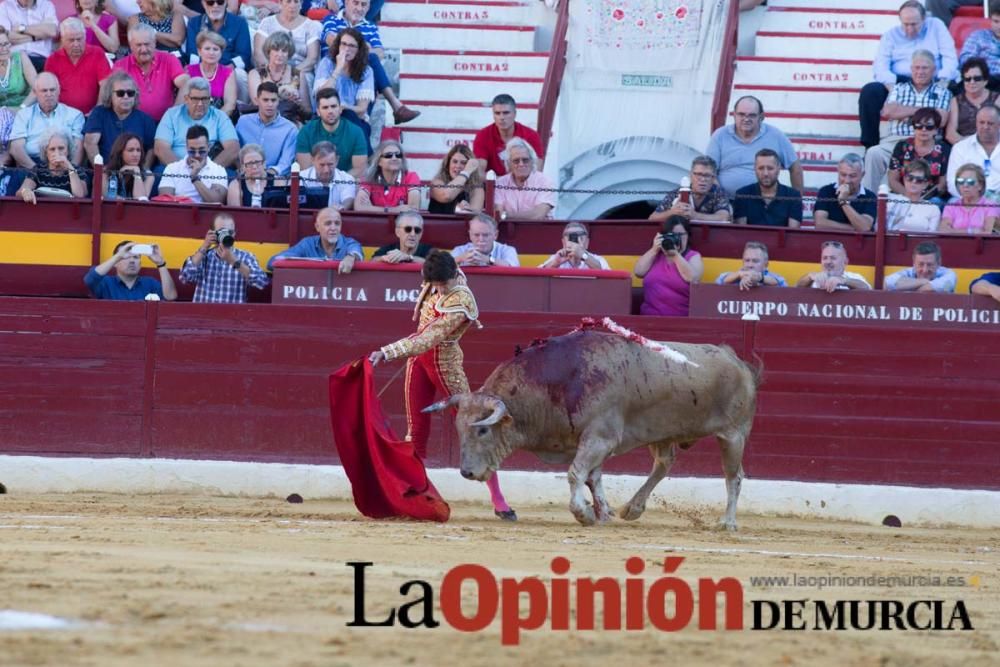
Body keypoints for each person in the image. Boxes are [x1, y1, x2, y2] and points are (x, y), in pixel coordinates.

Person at [367, 249, 517, 521]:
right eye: (434, 284)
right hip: (418, 362)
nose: (437, 289)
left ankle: (499, 499)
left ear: (453, 277)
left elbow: (429, 338)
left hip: (445, 364)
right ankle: (412, 495)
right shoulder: (436, 275)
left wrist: (388, 351)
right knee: (416, 431)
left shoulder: (461, 299)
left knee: (472, 429)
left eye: (442, 284)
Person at [858, 1, 957, 150]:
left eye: (914, 24)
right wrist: (894, 92)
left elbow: (950, 58)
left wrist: (941, 83)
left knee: (960, 89)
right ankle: (870, 146)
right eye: (905, 24)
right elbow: (880, 67)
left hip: (934, 79)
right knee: (870, 91)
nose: (909, 29)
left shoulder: (936, 26)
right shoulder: (891, 35)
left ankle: (947, 146)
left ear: (924, 19)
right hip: (900, 82)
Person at [863, 49, 952, 192]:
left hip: (927, 143)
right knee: (874, 153)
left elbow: (940, 119)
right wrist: (926, 112)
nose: (920, 72)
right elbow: (888, 111)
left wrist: (903, 112)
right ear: (911, 69)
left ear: (934, 70)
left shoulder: (943, 92)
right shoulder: (899, 89)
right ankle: (868, 203)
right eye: (917, 68)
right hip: (894, 141)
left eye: (925, 68)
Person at [318, 0, 419, 125]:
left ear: (369, 7)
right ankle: (396, 106)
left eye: (364, 4)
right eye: (356, 3)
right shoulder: (332, 19)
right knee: (371, 58)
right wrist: (361, 46)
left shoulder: (370, 26)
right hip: (333, 68)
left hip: (358, 72)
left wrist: (356, 49)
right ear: (347, 3)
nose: (360, 8)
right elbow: (331, 41)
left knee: (372, 62)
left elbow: (380, 52)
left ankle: (364, 120)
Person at [706, 95, 803, 196]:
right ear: (734, 115)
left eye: (752, 115)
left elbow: (796, 168)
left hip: (763, 204)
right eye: (741, 114)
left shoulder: (775, 135)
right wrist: (720, 200)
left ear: (761, 117)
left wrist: (796, 202)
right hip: (726, 202)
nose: (746, 119)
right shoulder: (720, 135)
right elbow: (708, 171)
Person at [180, 213, 269, 302]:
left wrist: (234, 261)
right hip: (203, 314)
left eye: (229, 232)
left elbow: (261, 282)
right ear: (212, 233)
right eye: (221, 232)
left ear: (234, 233)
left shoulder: (246, 257)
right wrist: (204, 246)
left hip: (233, 314)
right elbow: (185, 277)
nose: (226, 236)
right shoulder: (204, 256)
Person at [154, 77, 239, 169]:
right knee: (158, 172)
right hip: (176, 168)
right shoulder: (171, 115)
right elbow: (160, 148)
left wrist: (209, 171)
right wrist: (181, 171)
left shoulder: (219, 116)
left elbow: (233, 148)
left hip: (210, 168)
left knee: (231, 176)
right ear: (186, 99)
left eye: (204, 99)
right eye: (195, 99)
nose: (200, 104)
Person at [112, 23, 189, 122]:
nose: (144, 50)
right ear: (130, 46)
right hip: (132, 123)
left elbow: (186, 83)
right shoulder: (120, 66)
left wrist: (174, 114)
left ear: (155, 43)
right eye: (139, 45)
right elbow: (114, 96)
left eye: (147, 44)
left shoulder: (169, 60)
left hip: (164, 123)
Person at [8, 72, 84, 168]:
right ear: (35, 93)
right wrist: (35, 171)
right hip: (31, 164)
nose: (49, 94)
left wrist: (71, 171)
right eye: (44, 91)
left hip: (64, 164)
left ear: (59, 90)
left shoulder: (75, 115)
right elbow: (16, 148)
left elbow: (79, 149)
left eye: (52, 90)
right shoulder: (23, 115)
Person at [313, 27, 373, 147]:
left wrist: (344, 107)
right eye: (343, 44)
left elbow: (361, 109)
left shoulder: (366, 71)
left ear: (359, 49)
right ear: (338, 45)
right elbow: (322, 95)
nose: (347, 49)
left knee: (350, 117)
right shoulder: (327, 63)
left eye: (352, 46)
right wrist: (338, 68)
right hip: (326, 113)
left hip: (352, 116)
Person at [84, 71, 157, 167]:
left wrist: (143, 172)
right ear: (110, 95)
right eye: (120, 93)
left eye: (130, 93)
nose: (126, 97)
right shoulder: (99, 114)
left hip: (134, 174)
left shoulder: (146, 120)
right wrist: (101, 171)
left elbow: (151, 150)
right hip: (104, 171)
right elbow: (90, 144)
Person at [634, 215, 703, 316]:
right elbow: (638, 272)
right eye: (672, 235)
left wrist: (675, 255)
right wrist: (654, 249)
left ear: (688, 235)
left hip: (680, 321)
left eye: (680, 234)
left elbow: (692, 278)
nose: (677, 238)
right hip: (648, 318)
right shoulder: (656, 255)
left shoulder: (693, 257)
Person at [43, 17, 110, 115]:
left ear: (85, 37)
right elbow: (49, 92)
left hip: (92, 114)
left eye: (79, 39)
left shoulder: (97, 53)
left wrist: (97, 110)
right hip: (62, 116)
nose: (76, 44)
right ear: (62, 40)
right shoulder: (53, 60)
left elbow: (105, 85)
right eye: (71, 40)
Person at [184, 0, 252, 94]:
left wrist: (226, 70)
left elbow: (244, 55)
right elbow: (192, 53)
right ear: (203, 4)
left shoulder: (240, 23)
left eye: (220, 2)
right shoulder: (194, 23)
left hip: (229, 68)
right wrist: (203, 69)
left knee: (240, 75)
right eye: (210, 2)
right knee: (187, 73)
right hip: (203, 68)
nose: (215, 6)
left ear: (226, 3)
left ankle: (242, 107)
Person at [266, 206, 363, 271]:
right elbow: (272, 262)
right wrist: (299, 266)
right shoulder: (307, 244)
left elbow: (356, 252)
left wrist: (351, 258)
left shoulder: (350, 243)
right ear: (317, 227)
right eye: (328, 223)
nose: (333, 228)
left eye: (337, 223)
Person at [295, 87, 366, 174]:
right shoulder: (306, 132)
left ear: (340, 109)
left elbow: (359, 169)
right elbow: (306, 169)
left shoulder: (356, 132)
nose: (330, 111)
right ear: (318, 112)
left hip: (346, 184)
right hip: (314, 184)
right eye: (325, 107)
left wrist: (337, 182)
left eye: (333, 106)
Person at [246, 30, 311, 123]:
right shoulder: (255, 74)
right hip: (263, 121)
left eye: (284, 51)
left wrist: (298, 104)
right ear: (268, 52)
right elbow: (257, 102)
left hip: (291, 121)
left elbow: (308, 111)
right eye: (276, 50)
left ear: (289, 53)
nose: (280, 54)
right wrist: (283, 97)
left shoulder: (298, 74)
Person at [886, 106, 950, 200]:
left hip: (932, 198)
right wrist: (909, 197)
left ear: (936, 130)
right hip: (904, 195)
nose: (923, 129)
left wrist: (922, 199)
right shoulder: (901, 146)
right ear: (914, 128)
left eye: (929, 127)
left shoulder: (944, 149)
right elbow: (893, 180)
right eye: (919, 126)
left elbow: (942, 184)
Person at [472, 93, 543, 177]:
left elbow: (537, 170)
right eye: (497, 113)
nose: (501, 117)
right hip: (492, 186)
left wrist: (513, 185)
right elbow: (479, 172)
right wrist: (503, 183)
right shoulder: (483, 136)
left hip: (524, 186)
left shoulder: (531, 135)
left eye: (506, 113)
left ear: (514, 114)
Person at [235, 81, 297, 175]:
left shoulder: (290, 129)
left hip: (273, 178)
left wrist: (269, 174)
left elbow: (286, 162)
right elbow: (236, 151)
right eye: (265, 100)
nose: (270, 104)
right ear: (257, 100)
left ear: (278, 101)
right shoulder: (243, 122)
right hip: (244, 174)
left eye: (273, 100)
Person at [648, 155, 732, 223]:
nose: (702, 179)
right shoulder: (678, 193)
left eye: (707, 175)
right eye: (698, 174)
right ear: (691, 176)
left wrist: (695, 215)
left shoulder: (718, 193)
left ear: (713, 178)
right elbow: (652, 218)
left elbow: (723, 217)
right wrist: (673, 212)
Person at [84, 240, 178, 300]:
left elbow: (171, 296)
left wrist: (160, 263)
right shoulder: (106, 283)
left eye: (136, 257)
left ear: (140, 264)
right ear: (115, 262)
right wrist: (118, 256)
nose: (132, 261)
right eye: (126, 257)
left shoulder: (150, 283)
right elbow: (89, 279)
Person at [158, 124, 229, 202]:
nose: (197, 155)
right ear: (186, 148)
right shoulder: (172, 168)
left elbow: (216, 201)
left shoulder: (218, 170)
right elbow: (165, 200)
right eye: (192, 151)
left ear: (209, 147)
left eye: (201, 151)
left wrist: (195, 178)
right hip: (180, 212)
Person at [733, 148, 803, 227]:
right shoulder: (742, 194)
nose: (765, 173)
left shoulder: (793, 196)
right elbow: (741, 233)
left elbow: (792, 234)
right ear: (755, 169)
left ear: (778, 169)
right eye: (761, 168)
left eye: (770, 168)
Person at [16, 128, 87, 203]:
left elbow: (79, 195)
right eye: (52, 149)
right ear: (46, 152)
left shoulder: (77, 170)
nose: (57, 153)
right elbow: (21, 191)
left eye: (61, 148)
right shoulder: (38, 169)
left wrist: (69, 168)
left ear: (68, 150)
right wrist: (25, 192)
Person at [493, 137, 556, 220]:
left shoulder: (545, 182)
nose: (521, 164)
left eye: (525, 160)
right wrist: (502, 215)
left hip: (539, 230)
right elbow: (498, 213)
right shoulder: (500, 183)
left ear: (532, 161)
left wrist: (506, 215)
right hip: (508, 231)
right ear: (508, 164)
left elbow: (538, 215)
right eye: (516, 161)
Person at [252, 0, 321, 75]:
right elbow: (258, 53)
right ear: (280, 3)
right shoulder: (267, 23)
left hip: (300, 72)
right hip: (270, 71)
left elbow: (312, 58)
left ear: (301, 4)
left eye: (296, 2)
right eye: (288, 1)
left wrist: (291, 74)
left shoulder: (311, 26)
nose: (292, 5)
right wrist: (271, 73)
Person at [813, 154, 878, 232]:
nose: (847, 180)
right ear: (838, 172)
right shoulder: (826, 191)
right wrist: (855, 228)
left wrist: (843, 202)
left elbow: (865, 227)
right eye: (843, 175)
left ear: (862, 175)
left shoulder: (870, 197)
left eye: (853, 176)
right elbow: (820, 224)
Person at [946, 105, 1000, 199]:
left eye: (990, 123)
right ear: (976, 123)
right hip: (967, 199)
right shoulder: (960, 148)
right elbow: (952, 182)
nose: (985, 127)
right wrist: (973, 198)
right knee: (952, 205)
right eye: (981, 122)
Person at [354, 139, 421, 213]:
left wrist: (372, 208)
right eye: (388, 155)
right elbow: (359, 207)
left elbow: (413, 208)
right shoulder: (369, 178)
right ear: (379, 161)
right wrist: (394, 210)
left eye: (398, 155)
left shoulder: (411, 177)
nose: (394, 158)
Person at [945, 57, 999, 146]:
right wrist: (970, 146)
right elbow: (950, 134)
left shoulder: (997, 99)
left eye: (977, 78)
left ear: (985, 81)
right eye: (967, 79)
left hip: (992, 146)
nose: (972, 82)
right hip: (963, 147)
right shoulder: (955, 101)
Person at [186, 31, 236, 117]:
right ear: (199, 51)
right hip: (192, 118)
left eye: (215, 49)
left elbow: (230, 105)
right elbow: (184, 102)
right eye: (207, 48)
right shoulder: (188, 70)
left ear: (221, 52)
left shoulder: (228, 72)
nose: (211, 53)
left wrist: (214, 122)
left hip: (219, 119)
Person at [940, 163, 1000, 233]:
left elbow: (987, 232)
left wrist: (954, 231)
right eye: (961, 181)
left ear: (980, 185)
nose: (965, 185)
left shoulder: (991, 206)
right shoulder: (951, 207)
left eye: (970, 182)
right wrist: (970, 231)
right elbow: (944, 230)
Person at [0, 0, 58, 72]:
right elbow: (6, 37)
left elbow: (52, 31)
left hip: (42, 59)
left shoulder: (46, 5)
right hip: (15, 60)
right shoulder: (5, 6)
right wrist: (38, 35)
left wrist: (21, 28)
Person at [886, 159, 942, 232]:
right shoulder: (891, 202)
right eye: (910, 178)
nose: (914, 182)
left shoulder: (933, 209)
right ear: (904, 179)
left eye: (919, 180)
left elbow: (932, 237)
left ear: (925, 184)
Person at [795, 241, 872, 292]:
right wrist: (810, 276)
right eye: (825, 258)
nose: (828, 262)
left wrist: (844, 281)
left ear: (845, 262)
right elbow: (797, 289)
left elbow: (867, 290)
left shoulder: (854, 277)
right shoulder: (815, 279)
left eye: (833, 258)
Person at [299, 140, 356, 209]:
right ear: (312, 160)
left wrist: (342, 207)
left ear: (337, 160)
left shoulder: (347, 179)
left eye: (330, 164)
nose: (326, 170)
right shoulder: (300, 178)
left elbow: (348, 198)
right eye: (322, 165)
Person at [428, 144, 483, 215]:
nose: (458, 166)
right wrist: (466, 172)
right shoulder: (437, 182)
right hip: (437, 225)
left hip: (464, 226)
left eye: (463, 163)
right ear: (448, 164)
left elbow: (475, 215)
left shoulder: (477, 188)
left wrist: (466, 210)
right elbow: (447, 196)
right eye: (455, 161)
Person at [884, 241, 957, 293]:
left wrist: (905, 286)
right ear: (914, 262)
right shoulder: (909, 272)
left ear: (939, 263)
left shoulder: (949, 274)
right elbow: (886, 283)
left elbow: (929, 289)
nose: (925, 270)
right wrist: (924, 281)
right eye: (921, 264)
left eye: (930, 265)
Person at [450, 213, 519, 267]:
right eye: (476, 235)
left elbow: (513, 268)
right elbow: (443, 267)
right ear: (470, 235)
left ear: (495, 235)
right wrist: (461, 259)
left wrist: (488, 260)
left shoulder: (508, 250)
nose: (481, 239)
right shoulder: (460, 250)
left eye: (486, 235)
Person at [715, 241, 787, 290]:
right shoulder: (733, 276)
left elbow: (781, 283)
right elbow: (720, 281)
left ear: (766, 265)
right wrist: (739, 274)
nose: (750, 265)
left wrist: (760, 278)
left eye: (755, 261)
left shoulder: (775, 278)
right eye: (747, 260)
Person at [538, 222, 610, 270]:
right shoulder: (557, 257)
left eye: (579, 236)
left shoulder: (597, 259)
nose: (574, 240)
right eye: (570, 236)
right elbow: (537, 276)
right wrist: (555, 263)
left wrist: (583, 256)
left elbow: (608, 276)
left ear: (587, 242)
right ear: (563, 242)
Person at [104, 131, 155, 199]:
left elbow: (140, 199)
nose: (135, 154)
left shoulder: (149, 176)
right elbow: (108, 197)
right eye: (130, 150)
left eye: (138, 150)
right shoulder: (105, 172)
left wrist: (137, 175)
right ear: (120, 152)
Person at [227, 142, 280, 206]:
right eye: (249, 164)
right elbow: (235, 214)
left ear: (264, 163)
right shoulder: (236, 185)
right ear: (243, 167)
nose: (254, 167)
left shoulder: (278, 182)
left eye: (258, 162)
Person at [957, 1, 1000, 76]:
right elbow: (966, 60)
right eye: (996, 21)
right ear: (990, 21)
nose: (999, 27)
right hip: (983, 80)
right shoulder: (978, 36)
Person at [0, 26, 37, 110]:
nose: (4, 48)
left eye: (6, 43)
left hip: (25, 108)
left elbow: (37, 88)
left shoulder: (20, 57)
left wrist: (21, 108)